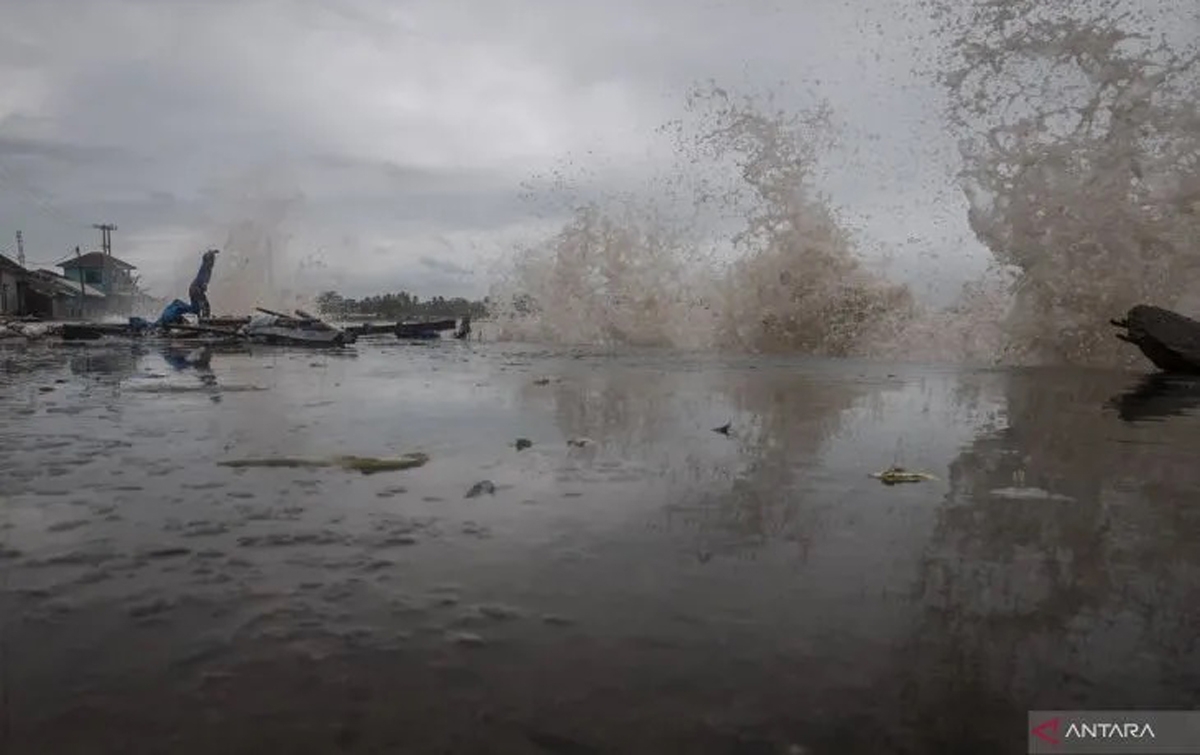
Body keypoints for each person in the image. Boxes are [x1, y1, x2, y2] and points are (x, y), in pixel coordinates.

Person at [188, 248, 219, 320]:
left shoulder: (208, 268)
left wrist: (214, 252)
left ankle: (199, 320)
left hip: (194, 289)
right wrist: (204, 284)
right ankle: (204, 321)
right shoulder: (206, 267)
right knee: (205, 306)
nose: (213, 262)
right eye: (212, 260)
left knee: (196, 308)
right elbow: (206, 257)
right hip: (195, 290)